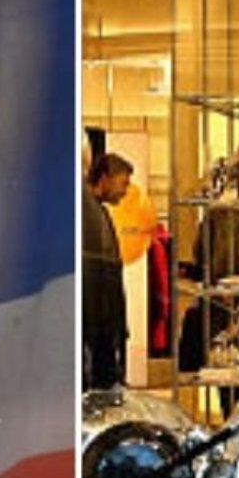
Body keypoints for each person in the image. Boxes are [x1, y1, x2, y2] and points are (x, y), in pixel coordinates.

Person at [82, 153, 132, 388]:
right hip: (97, 325)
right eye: (123, 183)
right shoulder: (88, 210)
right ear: (104, 179)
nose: (126, 190)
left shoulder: (96, 211)